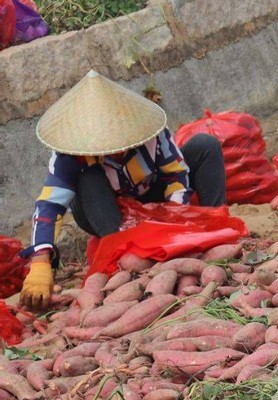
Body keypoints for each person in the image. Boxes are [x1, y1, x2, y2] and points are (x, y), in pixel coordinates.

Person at [20, 70, 226, 311]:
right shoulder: (70, 155)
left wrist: (172, 218)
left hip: (151, 201)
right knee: (89, 177)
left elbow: (177, 175)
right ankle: (121, 255)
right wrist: (41, 262)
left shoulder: (151, 133)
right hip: (103, 209)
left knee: (205, 145)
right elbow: (49, 205)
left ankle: (217, 231)